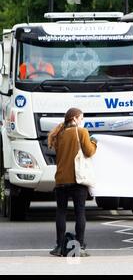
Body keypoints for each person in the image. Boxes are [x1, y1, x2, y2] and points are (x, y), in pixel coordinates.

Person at [47, 108, 97, 257]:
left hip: (61, 179)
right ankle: (79, 246)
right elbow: (89, 152)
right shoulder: (82, 132)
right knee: (79, 212)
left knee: (61, 212)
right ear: (74, 118)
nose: (82, 121)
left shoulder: (58, 134)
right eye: (81, 118)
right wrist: (94, 142)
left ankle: (59, 246)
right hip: (77, 179)